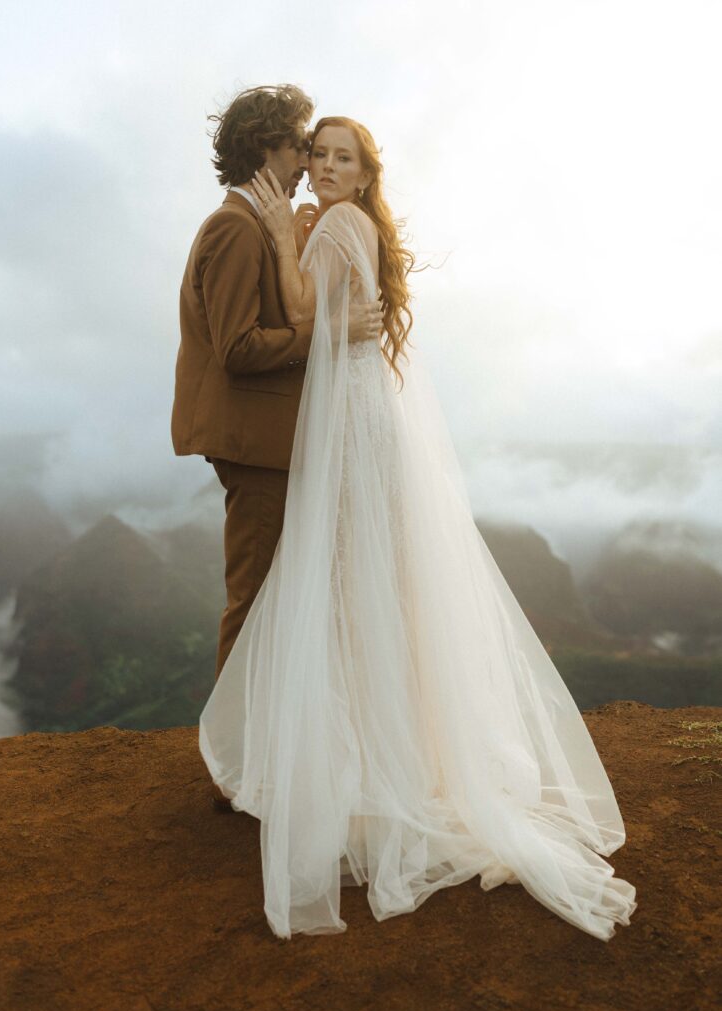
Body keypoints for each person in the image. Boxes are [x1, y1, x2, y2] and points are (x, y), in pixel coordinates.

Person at [199, 116, 638, 942]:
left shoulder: (331, 223)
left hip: (350, 432)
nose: (323, 167)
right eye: (316, 154)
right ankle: (379, 759)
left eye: (340, 159)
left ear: (364, 176)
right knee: (361, 591)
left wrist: (278, 233)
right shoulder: (346, 222)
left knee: (347, 590)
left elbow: (300, 308)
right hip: (360, 419)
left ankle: (367, 771)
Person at [171, 87, 383, 702]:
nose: (307, 163)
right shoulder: (235, 229)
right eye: (300, 147)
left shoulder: (261, 224)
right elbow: (238, 348)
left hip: (270, 441)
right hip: (255, 444)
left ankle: (257, 754)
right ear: (266, 149)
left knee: (276, 597)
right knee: (257, 600)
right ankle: (231, 773)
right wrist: (332, 329)